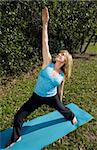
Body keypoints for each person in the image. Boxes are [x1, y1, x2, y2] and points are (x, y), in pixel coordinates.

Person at [5, 7, 77, 148]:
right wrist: (45, 24)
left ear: (65, 61)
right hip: (37, 96)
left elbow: (60, 88)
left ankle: (72, 116)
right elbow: (45, 42)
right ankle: (15, 137)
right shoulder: (47, 63)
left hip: (52, 97)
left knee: (64, 110)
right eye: (60, 53)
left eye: (63, 55)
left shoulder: (62, 75)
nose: (60, 54)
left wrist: (60, 101)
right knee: (19, 116)